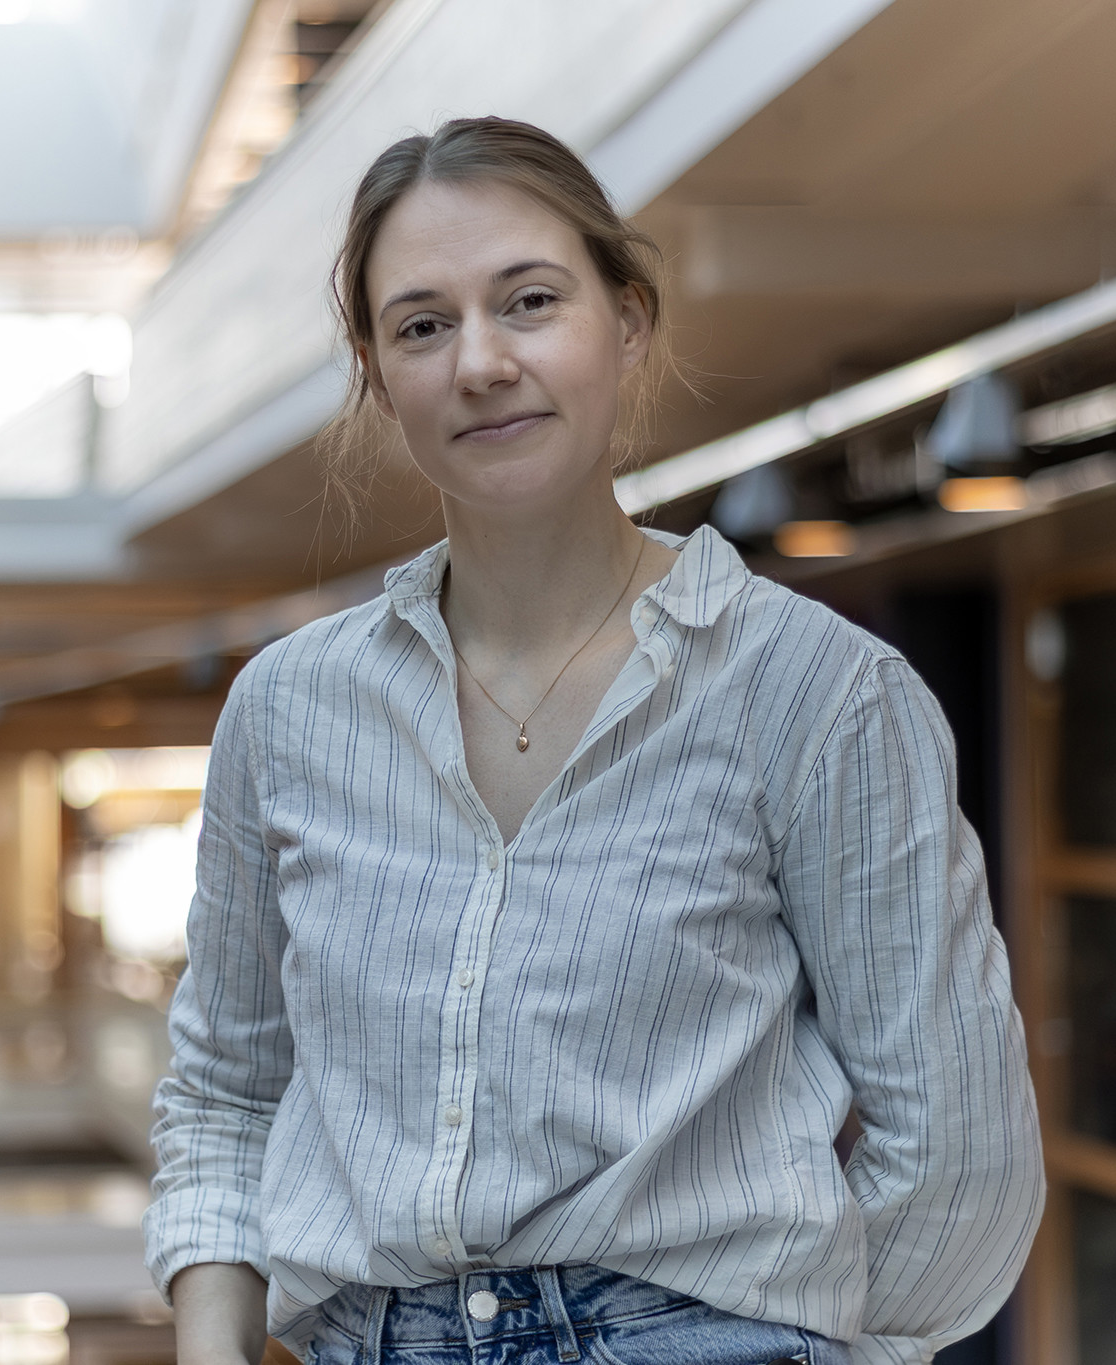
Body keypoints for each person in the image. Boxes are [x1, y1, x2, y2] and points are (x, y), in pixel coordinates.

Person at [144, 116, 1043, 1365]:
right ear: (373, 372)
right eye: (421, 325)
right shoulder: (288, 711)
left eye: (528, 302)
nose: (479, 362)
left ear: (624, 321)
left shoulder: (817, 692)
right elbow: (227, 1098)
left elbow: (956, 1148)